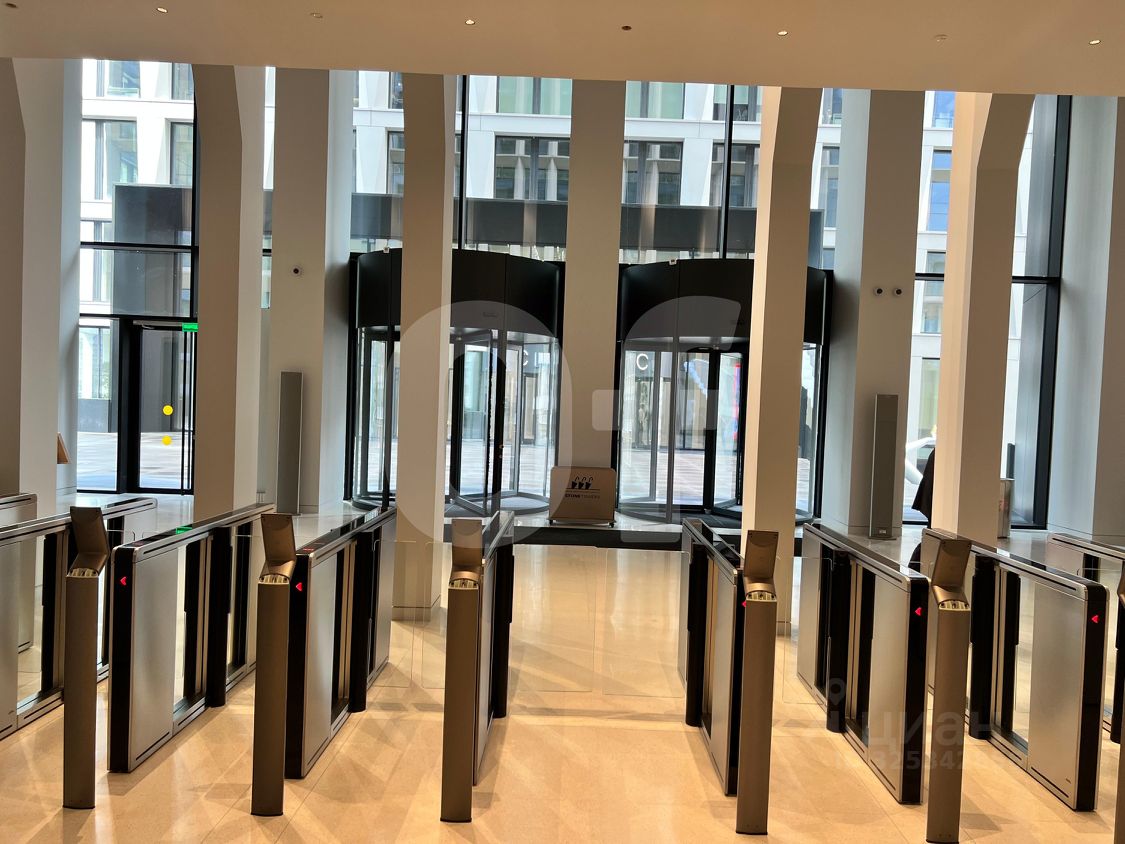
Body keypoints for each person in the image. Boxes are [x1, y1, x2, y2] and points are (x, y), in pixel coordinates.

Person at [909, 447, 936, 564]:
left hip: (932, 500)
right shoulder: (944, 451)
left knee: (930, 538)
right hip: (934, 501)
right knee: (930, 539)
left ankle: (915, 568)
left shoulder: (940, 450)